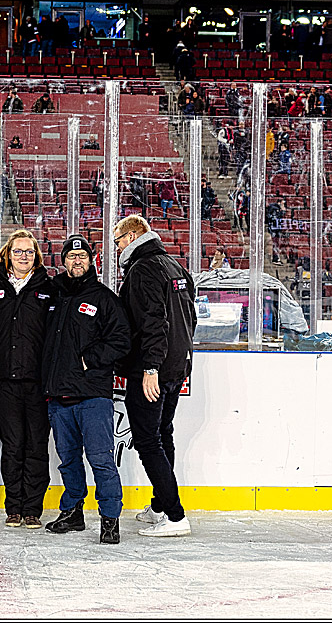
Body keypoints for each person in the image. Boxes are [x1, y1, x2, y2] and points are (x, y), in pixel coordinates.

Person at [42, 235, 131, 544]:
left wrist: (89, 359)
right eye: (71, 256)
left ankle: (110, 519)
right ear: (63, 261)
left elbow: (121, 339)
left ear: (91, 261)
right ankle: (72, 512)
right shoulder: (53, 296)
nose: (76, 260)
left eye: (82, 256)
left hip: (93, 396)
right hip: (58, 397)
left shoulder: (104, 298)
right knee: (67, 461)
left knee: (101, 460)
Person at [113, 214, 197, 538]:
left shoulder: (143, 268)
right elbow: (190, 321)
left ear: (133, 236)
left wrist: (150, 368)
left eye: (119, 240)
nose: (117, 247)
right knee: (163, 434)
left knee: (148, 441)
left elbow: (154, 322)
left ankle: (175, 516)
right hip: (176, 367)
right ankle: (160, 506)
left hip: (154, 370)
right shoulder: (175, 267)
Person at [0, 230, 54, 528]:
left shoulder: (48, 289)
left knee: (36, 446)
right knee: (12, 445)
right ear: (8, 255)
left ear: (36, 256)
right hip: (5, 381)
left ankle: (32, 509)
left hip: (38, 382)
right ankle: (13, 506)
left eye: (29, 252)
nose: (23, 256)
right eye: (18, 251)